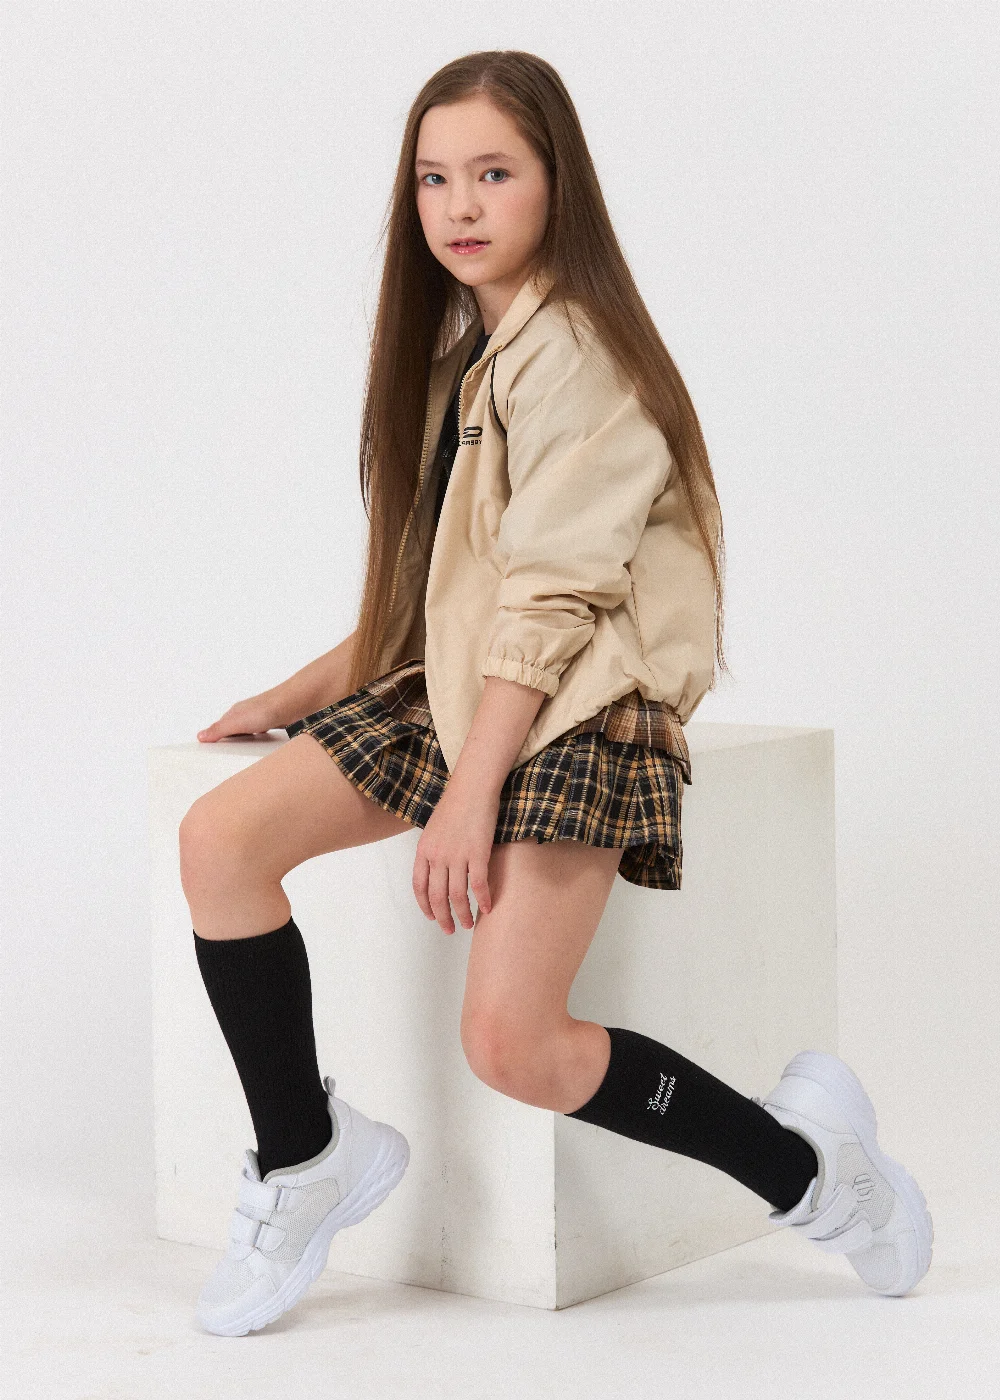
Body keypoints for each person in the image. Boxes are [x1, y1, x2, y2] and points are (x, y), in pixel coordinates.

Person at [182, 50, 933, 1338]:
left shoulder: (577, 348)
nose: (460, 205)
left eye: (494, 172)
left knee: (514, 1044)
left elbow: (556, 598)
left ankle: (815, 1174)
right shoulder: (462, 362)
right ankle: (307, 1159)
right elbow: (431, 596)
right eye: (434, 179)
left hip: (583, 699)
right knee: (220, 842)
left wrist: (469, 793)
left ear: (556, 185)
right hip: (478, 681)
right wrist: (290, 693)